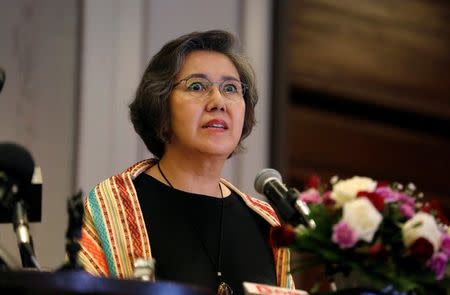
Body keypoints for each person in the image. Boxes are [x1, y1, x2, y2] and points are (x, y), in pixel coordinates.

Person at [78, 30, 294, 294]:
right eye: (197, 86)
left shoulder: (266, 223)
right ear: (161, 107)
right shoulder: (113, 206)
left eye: (231, 89)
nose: (218, 102)